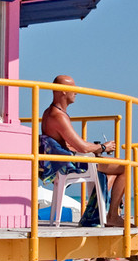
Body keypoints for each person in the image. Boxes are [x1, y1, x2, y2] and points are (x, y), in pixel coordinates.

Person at [40, 74, 127, 226]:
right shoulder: (58, 116)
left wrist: (94, 150)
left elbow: (68, 144)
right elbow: (82, 147)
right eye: (73, 88)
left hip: (64, 161)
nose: (76, 92)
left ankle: (94, 215)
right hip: (70, 164)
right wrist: (104, 147)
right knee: (125, 167)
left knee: (111, 172)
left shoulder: (49, 112)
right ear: (63, 91)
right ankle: (112, 215)